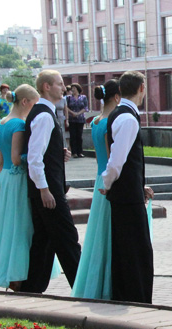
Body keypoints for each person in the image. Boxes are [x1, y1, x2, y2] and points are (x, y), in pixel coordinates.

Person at [22, 70, 81, 293]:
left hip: (46, 188)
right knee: (67, 238)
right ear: (46, 87)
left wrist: (58, 153)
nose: (64, 88)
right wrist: (44, 189)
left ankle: (32, 287)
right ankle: (84, 288)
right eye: (59, 84)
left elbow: (41, 152)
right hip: (48, 190)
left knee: (44, 240)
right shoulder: (44, 116)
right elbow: (34, 158)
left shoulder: (46, 113)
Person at [99, 70, 154, 303]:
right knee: (137, 251)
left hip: (127, 192)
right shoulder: (128, 118)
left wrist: (139, 186)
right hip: (126, 196)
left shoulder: (120, 114)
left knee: (126, 249)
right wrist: (107, 183)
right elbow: (117, 160)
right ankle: (137, 298)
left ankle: (126, 296)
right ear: (141, 88)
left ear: (120, 90)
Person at [0, 85, 42, 290]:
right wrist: (36, 157)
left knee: (6, 226)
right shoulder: (19, 124)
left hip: (6, 178)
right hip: (18, 179)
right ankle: (17, 274)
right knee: (20, 226)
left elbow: (1, 161)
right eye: (34, 104)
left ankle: (7, 270)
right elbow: (17, 159)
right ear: (25, 102)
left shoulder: (1, 122)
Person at [70, 80, 120, 300]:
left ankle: (97, 280)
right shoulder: (110, 122)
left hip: (99, 177)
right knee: (108, 233)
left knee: (98, 234)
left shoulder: (96, 121)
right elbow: (111, 157)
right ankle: (107, 283)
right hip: (108, 180)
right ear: (117, 97)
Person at [66, 83, 88, 158]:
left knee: (79, 136)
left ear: (78, 89)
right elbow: (66, 107)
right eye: (72, 88)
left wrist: (78, 113)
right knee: (73, 136)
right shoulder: (69, 98)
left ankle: (80, 152)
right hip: (72, 119)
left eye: (74, 88)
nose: (73, 89)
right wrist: (72, 113)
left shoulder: (83, 97)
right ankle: (74, 152)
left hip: (80, 119)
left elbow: (85, 108)